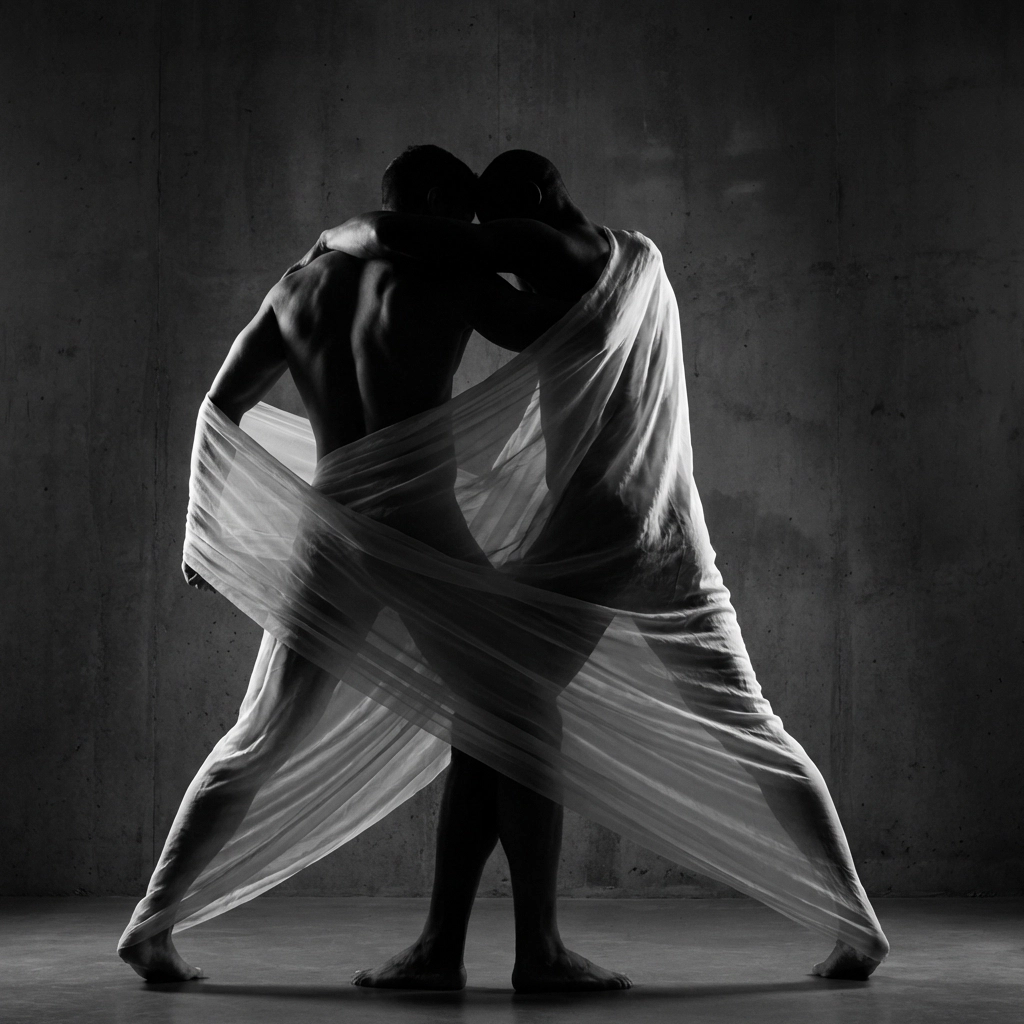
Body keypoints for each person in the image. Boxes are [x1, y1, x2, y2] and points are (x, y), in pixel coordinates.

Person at [304, 149, 891, 982]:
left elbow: (415, 242)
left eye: (505, 221)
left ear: (536, 199)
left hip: (596, 530)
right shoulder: (641, 260)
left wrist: (333, 237)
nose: (504, 250)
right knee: (750, 725)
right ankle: (859, 924)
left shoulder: (561, 250)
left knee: (496, 713)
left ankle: (465, 948)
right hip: (672, 530)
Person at [117, 145, 572, 985]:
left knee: (259, 734)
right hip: (416, 524)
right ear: (428, 200)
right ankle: (538, 951)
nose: (464, 232)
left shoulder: (296, 288)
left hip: (330, 526)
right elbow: (549, 326)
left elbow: (221, 403)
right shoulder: (444, 274)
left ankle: (151, 924)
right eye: (458, 214)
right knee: (522, 711)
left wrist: (198, 523)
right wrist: (618, 272)